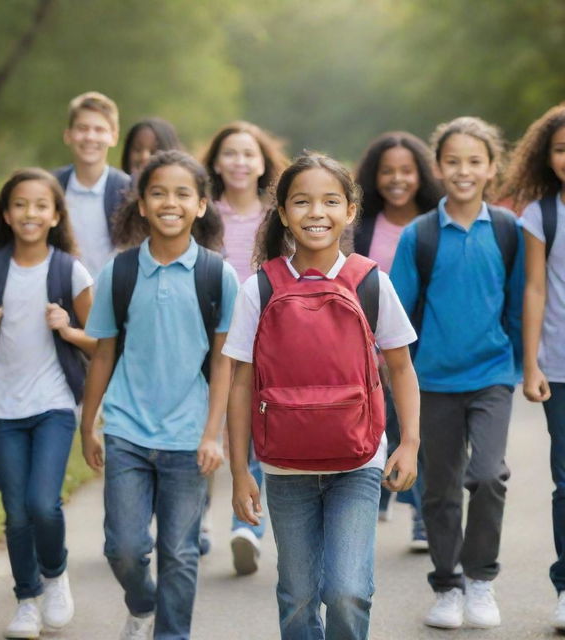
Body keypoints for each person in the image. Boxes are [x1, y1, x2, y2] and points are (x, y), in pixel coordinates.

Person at [224, 153, 420, 640]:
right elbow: (241, 383)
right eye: (302, 202)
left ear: (350, 210)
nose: (317, 212)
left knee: (349, 592)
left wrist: (410, 442)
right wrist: (238, 472)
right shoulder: (260, 287)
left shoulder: (371, 281)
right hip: (284, 467)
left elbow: (400, 366)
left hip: (358, 461)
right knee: (297, 597)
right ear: (284, 213)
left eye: (331, 201)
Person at [80, 150, 239, 640]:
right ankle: (142, 602)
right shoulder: (118, 272)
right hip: (127, 427)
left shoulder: (218, 275)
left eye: (182, 194)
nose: (170, 202)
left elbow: (223, 363)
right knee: (123, 548)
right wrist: (89, 424)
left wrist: (213, 435)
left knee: (180, 550)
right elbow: (104, 353)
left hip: (189, 435)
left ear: (201, 206)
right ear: (142, 205)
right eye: (158, 193)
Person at [390, 117, 524, 630]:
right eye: (453, 161)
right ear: (438, 167)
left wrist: (518, 367)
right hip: (433, 384)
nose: (463, 171)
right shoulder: (418, 235)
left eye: (474, 161)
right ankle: (447, 585)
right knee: (440, 488)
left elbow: (516, 307)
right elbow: (397, 317)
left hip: (491, 376)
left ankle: (481, 579)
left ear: (492, 167)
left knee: (488, 476)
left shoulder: (508, 230)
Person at [0, 168, 95, 639]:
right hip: (4, 407)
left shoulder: (69, 270)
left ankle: (55, 575)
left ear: (56, 215)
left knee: (42, 503)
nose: (30, 213)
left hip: (55, 404)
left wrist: (67, 328)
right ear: (6, 213)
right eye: (20, 204)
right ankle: (26, 599)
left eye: (41, 205)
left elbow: (101, 342)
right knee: (16, 511)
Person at [202, 120, 288, 571]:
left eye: (248, 154)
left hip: (262, 340)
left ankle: (247, 526)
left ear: (262, 163)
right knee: (203, 428)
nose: (239, 162)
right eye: (230, 153)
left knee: (253, 430)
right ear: (216, 162)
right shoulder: (202, 213)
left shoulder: (277, 218)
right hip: (206, 341)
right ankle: (195, 516)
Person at [355, 131, 443, 549]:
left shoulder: (436, 220)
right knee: (382, 420)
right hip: (375, 344)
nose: (396, 179)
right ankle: (384, 489)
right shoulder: (362, 228)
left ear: (421, 174)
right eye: (387, 171)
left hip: (432, 339)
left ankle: (423, 516)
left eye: (406, 170)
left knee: (419, 425)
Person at [499, 103, 565, 631]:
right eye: (561, 149)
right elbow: (535, 289)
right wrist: (531, 364)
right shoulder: (541, 214)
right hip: (559, 366)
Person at [55, 91, 130, 279]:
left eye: (99, 130)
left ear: (113, 137)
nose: (90, 137)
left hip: (112, 300)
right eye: (82, 128)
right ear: (68, 135)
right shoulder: (53, 188)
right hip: (61, 301)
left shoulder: (128, 191)